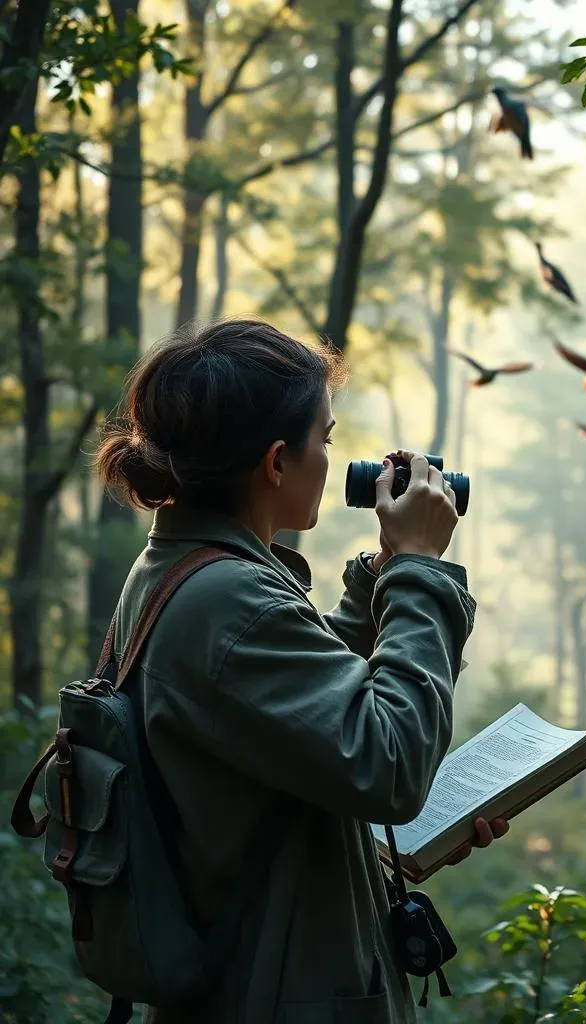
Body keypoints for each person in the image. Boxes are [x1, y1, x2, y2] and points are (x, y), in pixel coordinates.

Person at [94, 318, 507, 1023]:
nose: (336, 460)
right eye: (327, 439)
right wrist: (417, 571)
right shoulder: (229, 599)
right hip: (280, 998)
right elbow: (389, 764)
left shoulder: (188, 569)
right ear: (277, 462)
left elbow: (285, 716)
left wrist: (377, 578)